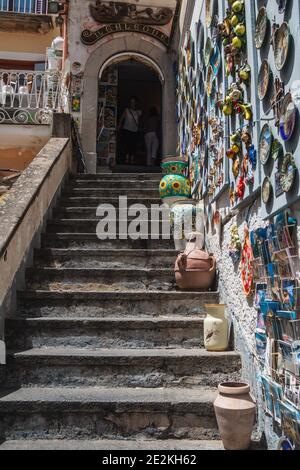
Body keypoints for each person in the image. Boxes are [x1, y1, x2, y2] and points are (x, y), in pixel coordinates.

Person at [118, 97, 142, 165]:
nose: (133, 104)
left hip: (135, 131)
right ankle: (127, 158)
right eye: (131, 102)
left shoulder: (139, 112)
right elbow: (122, 119)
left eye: (134, 102)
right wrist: (119, 126)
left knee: (133, 145)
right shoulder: (127, 110)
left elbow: (140, 121)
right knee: (127, 144)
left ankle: (132, 159)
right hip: (127, 129)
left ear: (136, 103)